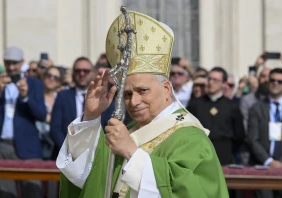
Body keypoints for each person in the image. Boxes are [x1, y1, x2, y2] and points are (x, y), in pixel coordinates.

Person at [56, 10, 228, 198]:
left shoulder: (191, 138)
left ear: (165, 89)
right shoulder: (128, 132)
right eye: (127, 94)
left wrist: (131, 151)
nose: (134, 102)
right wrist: (91, 117)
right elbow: (85, 175)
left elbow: (189, 191)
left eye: (142, 90)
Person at [0, 47, 46, 198]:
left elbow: (41, 115)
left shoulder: (34, 84)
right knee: (5, 193)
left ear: (22, 63)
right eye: (7, 63)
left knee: (32, 191)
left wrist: (25, 97)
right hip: (0, 146)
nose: (11, 67)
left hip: (28, 147)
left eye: (15, 63)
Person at [248, 68, 282, 198]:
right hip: (263, 168)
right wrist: (269, 161)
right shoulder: (256, 107)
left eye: (280, 81)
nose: (275, 83)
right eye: (272, 80)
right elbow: (253, 139)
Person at [187, 67, 245, 165]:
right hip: (199, 155)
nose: (211, 83)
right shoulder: (195, 105)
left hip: (223, 156)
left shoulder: (232, 106)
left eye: (215, 80)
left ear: (224, 83)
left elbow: (239, 135)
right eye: (209, 79)